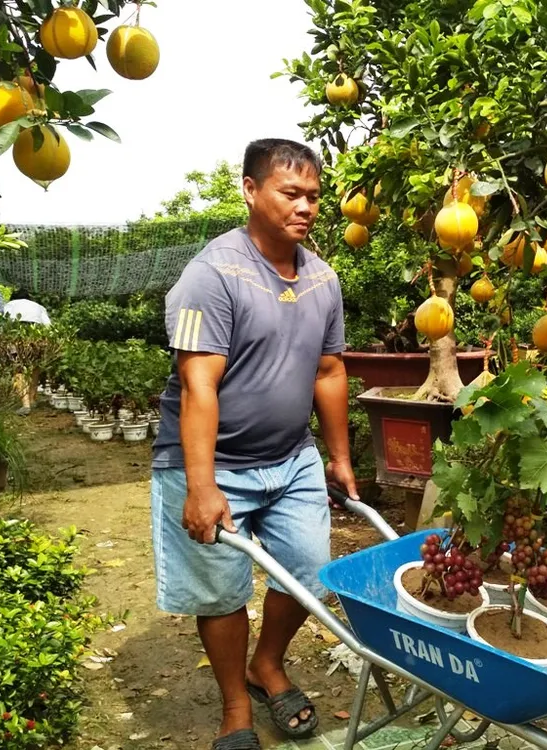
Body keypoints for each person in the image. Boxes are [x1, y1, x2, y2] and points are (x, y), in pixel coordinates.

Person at [149, 138, 359, 750]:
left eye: (314, 196)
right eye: (290, 193)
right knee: (221, 593)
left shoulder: (323, 278)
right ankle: (236, 707)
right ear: (250, 190)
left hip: (291, 459)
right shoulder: (212, 274)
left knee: (310, 574)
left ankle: (266, 664)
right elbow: (197, 384)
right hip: (214, 463)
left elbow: (329, 371)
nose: (305, 207)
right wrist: (202, 484)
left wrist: (341, 457)